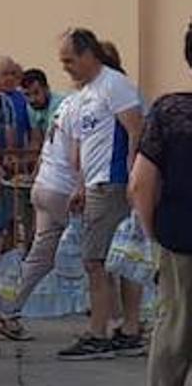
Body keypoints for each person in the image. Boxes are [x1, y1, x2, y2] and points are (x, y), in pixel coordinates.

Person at [0, 91, 81, 358]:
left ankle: (7, 307)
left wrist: (37, 173)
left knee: (40, 256)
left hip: (45, 184)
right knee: (97, 258)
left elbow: (45, 147)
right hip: (65, 188)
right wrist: (82, 184)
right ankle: (111, 324)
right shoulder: (90, 106)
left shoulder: (65, 105)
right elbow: (79, 154)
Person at [58, 28, 146, 360]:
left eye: (69, 60)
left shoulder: (114, 84)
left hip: (113, 183)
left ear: (87, 54)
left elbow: (135, 129)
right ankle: (128, 329)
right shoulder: (86, 93)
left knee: (95, 260)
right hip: (95, 184)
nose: (66, 67)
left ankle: (100, 332)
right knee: (114, 259)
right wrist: (80, 184)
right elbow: (85, 145)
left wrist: (133, 179)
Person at [130, 22, 192, 386]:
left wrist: (154, 233)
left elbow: (139, 184)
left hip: (182, 235)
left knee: (173, 333)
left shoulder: (170, 112)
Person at [0, 56, 33, 149]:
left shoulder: (24, 99)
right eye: (5, 74)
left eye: (13, 74)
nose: (10, 78)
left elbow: (31, 129)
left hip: (17, 154)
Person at [21, 68, 65, 140]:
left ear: (46, 89)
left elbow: (54, 138)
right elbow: (36, 139)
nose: (32, 99)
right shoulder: (31, 107)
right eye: (27, 95)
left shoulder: (60, 104)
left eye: (36, 93)